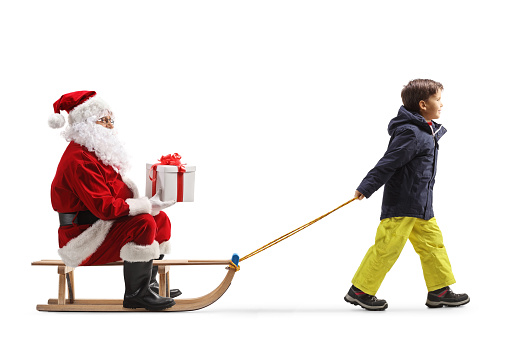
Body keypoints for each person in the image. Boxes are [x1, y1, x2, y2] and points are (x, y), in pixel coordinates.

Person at [49, 90, 180, 311]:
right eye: (104, 120)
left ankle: (149, 283)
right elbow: (106, 208)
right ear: (85, 125)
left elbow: (117, 198)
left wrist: (151, 203)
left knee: (160, 219)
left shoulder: (95, 154)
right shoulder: (80, 159)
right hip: (83, 238)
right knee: (144, 223)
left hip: (100, 227)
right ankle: (136, 295)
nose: (110, 126)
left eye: (111, 120)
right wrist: (146, 206)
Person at [344, 79, 469, 311]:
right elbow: (389, 163)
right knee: (387, 247)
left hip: (421, 205)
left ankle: (439, 291)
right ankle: (360, 290)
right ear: (423, 104)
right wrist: (367, 186)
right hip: (402, 205)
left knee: (433, 245)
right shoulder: (412, 133)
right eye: (437, 99)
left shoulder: (425, 131)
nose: (442, 104)